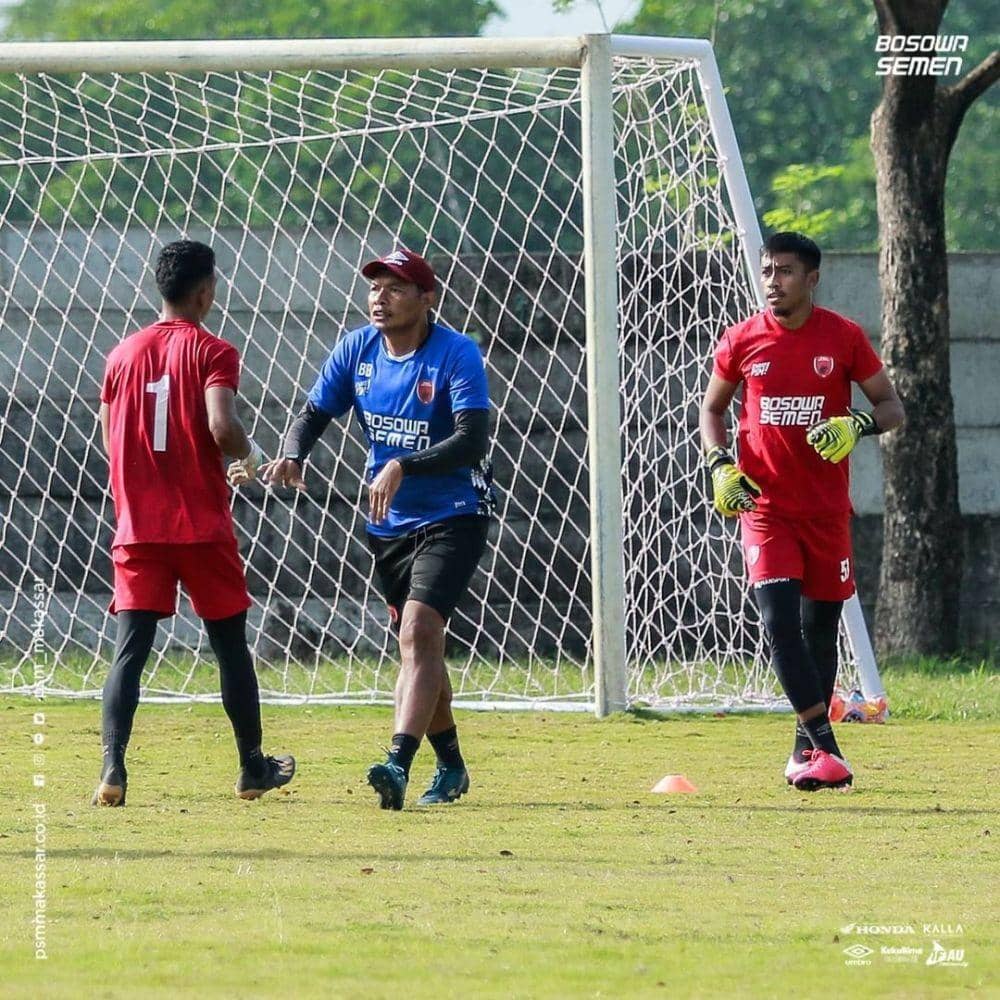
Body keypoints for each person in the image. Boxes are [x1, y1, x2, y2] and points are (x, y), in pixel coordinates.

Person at [232, 248, 494, 811]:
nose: (380, 296)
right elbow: (313, 411)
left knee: (419, 632)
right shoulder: (357, 347)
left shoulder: (456, 354)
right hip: (389, 522)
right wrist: (294, 455)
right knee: (419, 647)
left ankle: (397, 762)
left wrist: (403, 463)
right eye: (375, 286)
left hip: (455, 512)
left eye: (396, 287)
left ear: (428, 299)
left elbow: (473, 440)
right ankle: (450, 767)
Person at [699, 231, 904, 790]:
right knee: (778, 623)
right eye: (767, 271)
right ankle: (829, 749)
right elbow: (712, 410)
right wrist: (720, 466)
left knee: (820, 630)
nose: (773, 281)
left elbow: (892, 407)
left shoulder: (843, 337)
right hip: (765, 509)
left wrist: (857, 423)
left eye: (785, 271)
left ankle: (801, 755)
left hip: (826, 512)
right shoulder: (742, 340)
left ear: (811, 279)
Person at [95, 239, 295, 806]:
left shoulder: (122, 355)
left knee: (129, 651)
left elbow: (110, 432)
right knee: (230, 646)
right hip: (202, 526)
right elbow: (221, 425)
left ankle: (113, 770)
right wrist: (246, 458)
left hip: (138, 528)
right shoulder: (214, 351)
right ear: (206, 292)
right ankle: (252, 768)